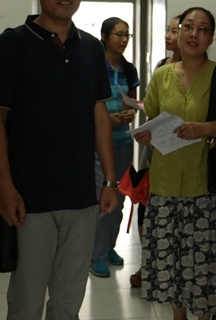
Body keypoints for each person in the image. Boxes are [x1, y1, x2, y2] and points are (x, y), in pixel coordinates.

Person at [0, 0, 119, 319]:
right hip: (30, 199)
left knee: (68, 301)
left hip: (81, 197)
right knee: (26, 302)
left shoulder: (92, 48)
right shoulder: (12, 44)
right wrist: (6, 187)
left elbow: (99, 113)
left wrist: (110, 181)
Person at [133, 7, 216, 320]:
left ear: (211, 38)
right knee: (170, 265)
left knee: (204, 266)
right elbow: (154, 121)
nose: (194, 34)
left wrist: (204, 128)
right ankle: (178, 317)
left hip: (205, 187)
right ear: (178, 32)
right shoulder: (161, 76)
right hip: (165, 185)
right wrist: (146, 135)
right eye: (188, 27)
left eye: (203, 29)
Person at [130, 15, 182, 288]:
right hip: (154, 148)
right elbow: (153, 107)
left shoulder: (201, 73)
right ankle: (148, 262)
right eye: (168, 30)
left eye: (174, 31)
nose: (168, 35)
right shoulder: (162, 66)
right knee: (144, 204)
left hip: (180, 151)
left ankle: (169, 265)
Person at [90, 17, 140, 278]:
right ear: (104, 37)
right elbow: (86, 105)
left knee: (119, 199)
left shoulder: (130, 69)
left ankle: (109, 247)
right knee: (103, 198)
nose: (123, 39)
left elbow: (132, 102)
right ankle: (95, 254)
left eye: (126, 35)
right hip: (100, 143)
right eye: (118, 34)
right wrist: (107, 120)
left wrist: (130, 113)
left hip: (123, 142)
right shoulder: (94, 66)